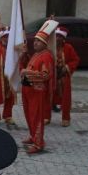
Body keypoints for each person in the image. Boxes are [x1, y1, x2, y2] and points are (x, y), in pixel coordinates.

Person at [21, 23, 55, 154]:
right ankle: (32, 136)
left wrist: (28, 73)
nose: (35, 43)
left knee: (36, 117)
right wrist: (24, 56)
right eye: (35, 40)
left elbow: (46, 75)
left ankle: (38, 143)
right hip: (28, 90)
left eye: (38, 41)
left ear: (45, 44)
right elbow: (29, 67)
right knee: (29, 115)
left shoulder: (46, 56)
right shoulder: (36, 54)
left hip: (37, 92)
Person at [51, 26, 80, 127]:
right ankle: (46, 117)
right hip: (52, 77)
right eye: (56, 36)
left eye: (59, 36)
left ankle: (65, 118)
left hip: (64, 77)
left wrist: (67, 67)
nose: (57, 38)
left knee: (66, 98)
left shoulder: (68, 47)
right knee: (48, 97)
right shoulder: (51, 47)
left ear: (63, 38)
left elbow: (75, 60)